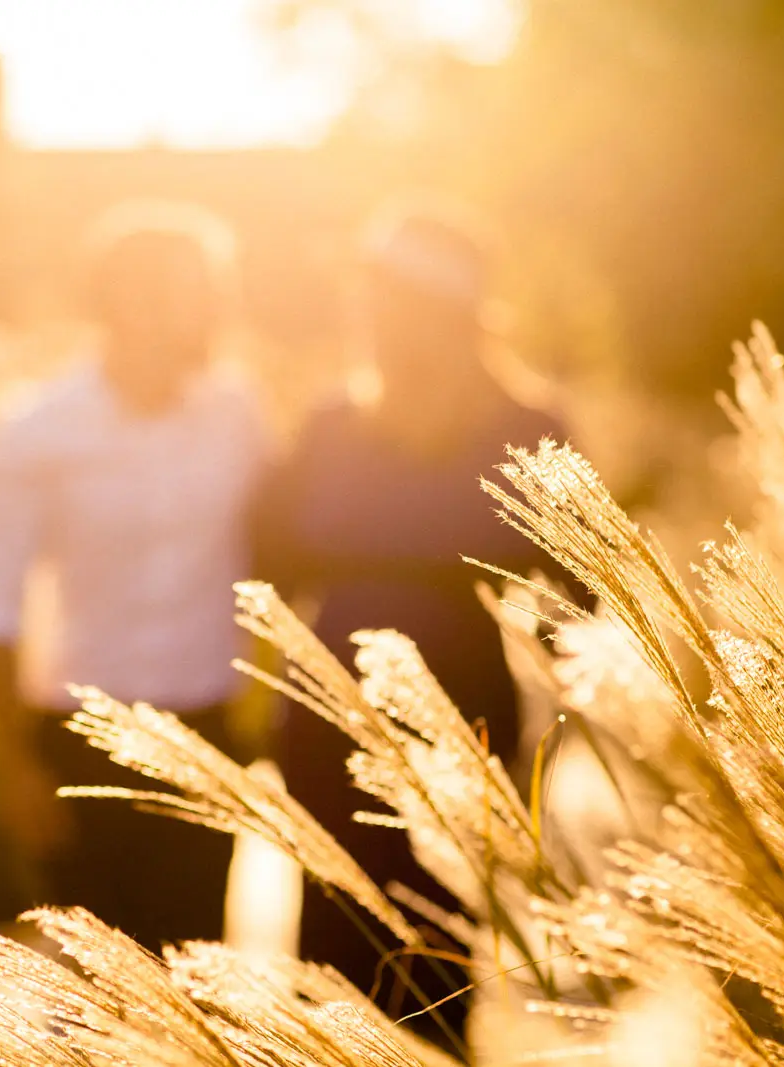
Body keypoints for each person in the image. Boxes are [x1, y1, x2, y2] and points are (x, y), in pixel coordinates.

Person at [253, 203, 566, 1027]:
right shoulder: (331, 425)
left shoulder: (527, 429)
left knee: (438, 946)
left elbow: (575, 594)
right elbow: (268, 558)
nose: (371, 315)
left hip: (460, 712)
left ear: (448, 313)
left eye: (391, 299)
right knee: (330, 935)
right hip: (327, 712)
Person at [0, 201, 269, 951]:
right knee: (89, 989)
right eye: (185, 291)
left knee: (198, 978)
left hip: (204, 733)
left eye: (209, 291)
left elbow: (273, 557)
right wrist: (12, 768)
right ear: (122, 301)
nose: (207, 309)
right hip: (80, 736)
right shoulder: (39, 428)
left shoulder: (237, 415)